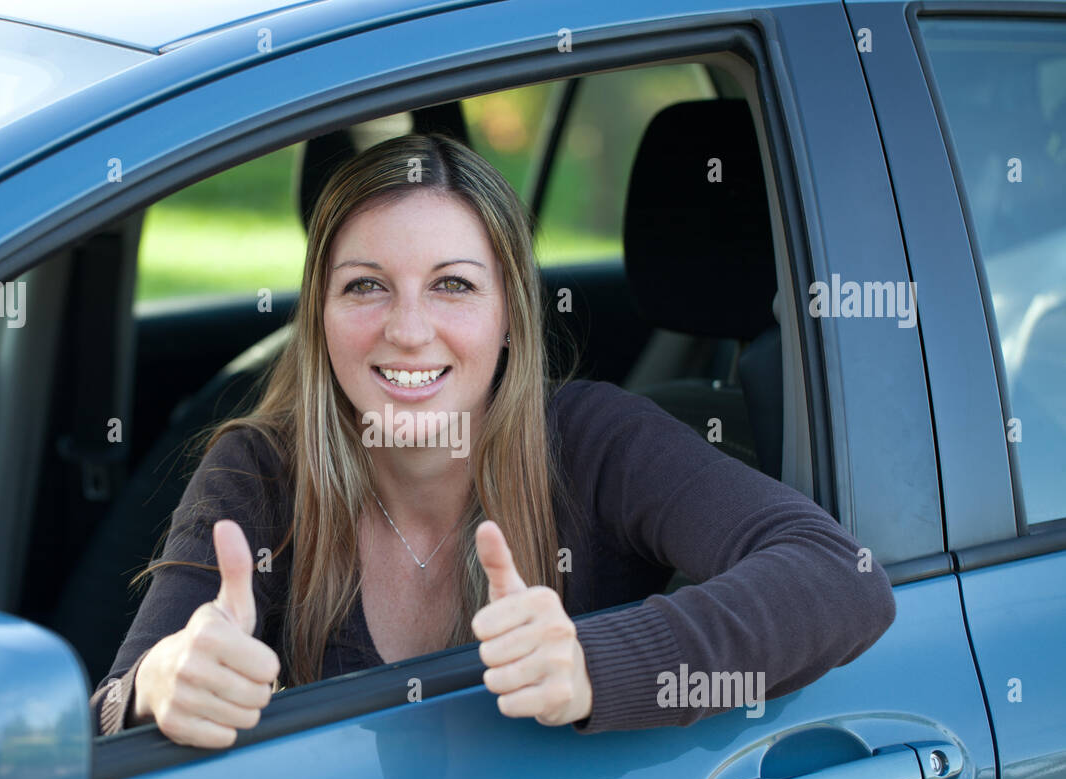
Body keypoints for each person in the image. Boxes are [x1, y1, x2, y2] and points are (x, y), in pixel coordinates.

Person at [89, 131, 896, 747]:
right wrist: (159, 685)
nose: (408, 330)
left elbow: (842, 579)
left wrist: (594, 664)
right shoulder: (260, 472)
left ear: (510, 316)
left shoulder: (588, 439)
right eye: (366, 286)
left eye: (453, 286)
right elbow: (115, 719)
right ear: (320, 318)